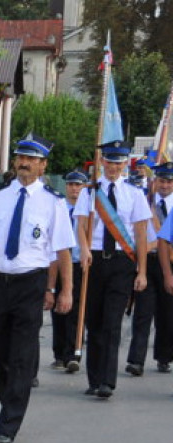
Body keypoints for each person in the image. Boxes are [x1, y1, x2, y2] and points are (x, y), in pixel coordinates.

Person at [0, 134, 74, 443]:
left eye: (31, 159)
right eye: (20, 157)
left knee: (23, 354)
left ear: (43, 166)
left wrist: (65, 291)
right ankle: (9, 399)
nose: (23, 163)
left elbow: (63, 251)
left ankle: (8, 424)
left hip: (31, 283)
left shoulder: (53, 202)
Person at [74, 140, 150, 399]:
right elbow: (81, 226)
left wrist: (141, 271)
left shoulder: (135, 194)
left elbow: (140, 235)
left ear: (125, 164)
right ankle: (94, 378)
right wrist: (83, 249)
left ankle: (108, 381)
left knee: (112, 322)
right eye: (109, 161)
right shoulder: (90, 192)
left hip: (121, 262)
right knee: (93, 321)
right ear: (102, 162)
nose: (113, 166)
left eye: (118, 162)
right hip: (94, 260)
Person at [126, 161, 173, 375]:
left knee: (167, 313)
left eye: (169, 181)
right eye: (162, 181)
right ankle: (136, 360)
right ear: (155, 182)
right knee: (142, 313)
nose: (165, 185)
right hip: (147, 261)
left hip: (170, 263)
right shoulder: (145, 203)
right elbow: (139, 233)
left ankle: (164, 357)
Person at [51, 171, 88, 373]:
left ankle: (72, 352)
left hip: (78, 264)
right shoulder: (59, 208)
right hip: (58, 264)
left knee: (76, 309)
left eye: (79, 185)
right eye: (71, 184)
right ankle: (58, 353)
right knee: (58, 308)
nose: (75, 189)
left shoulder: (88, 212)